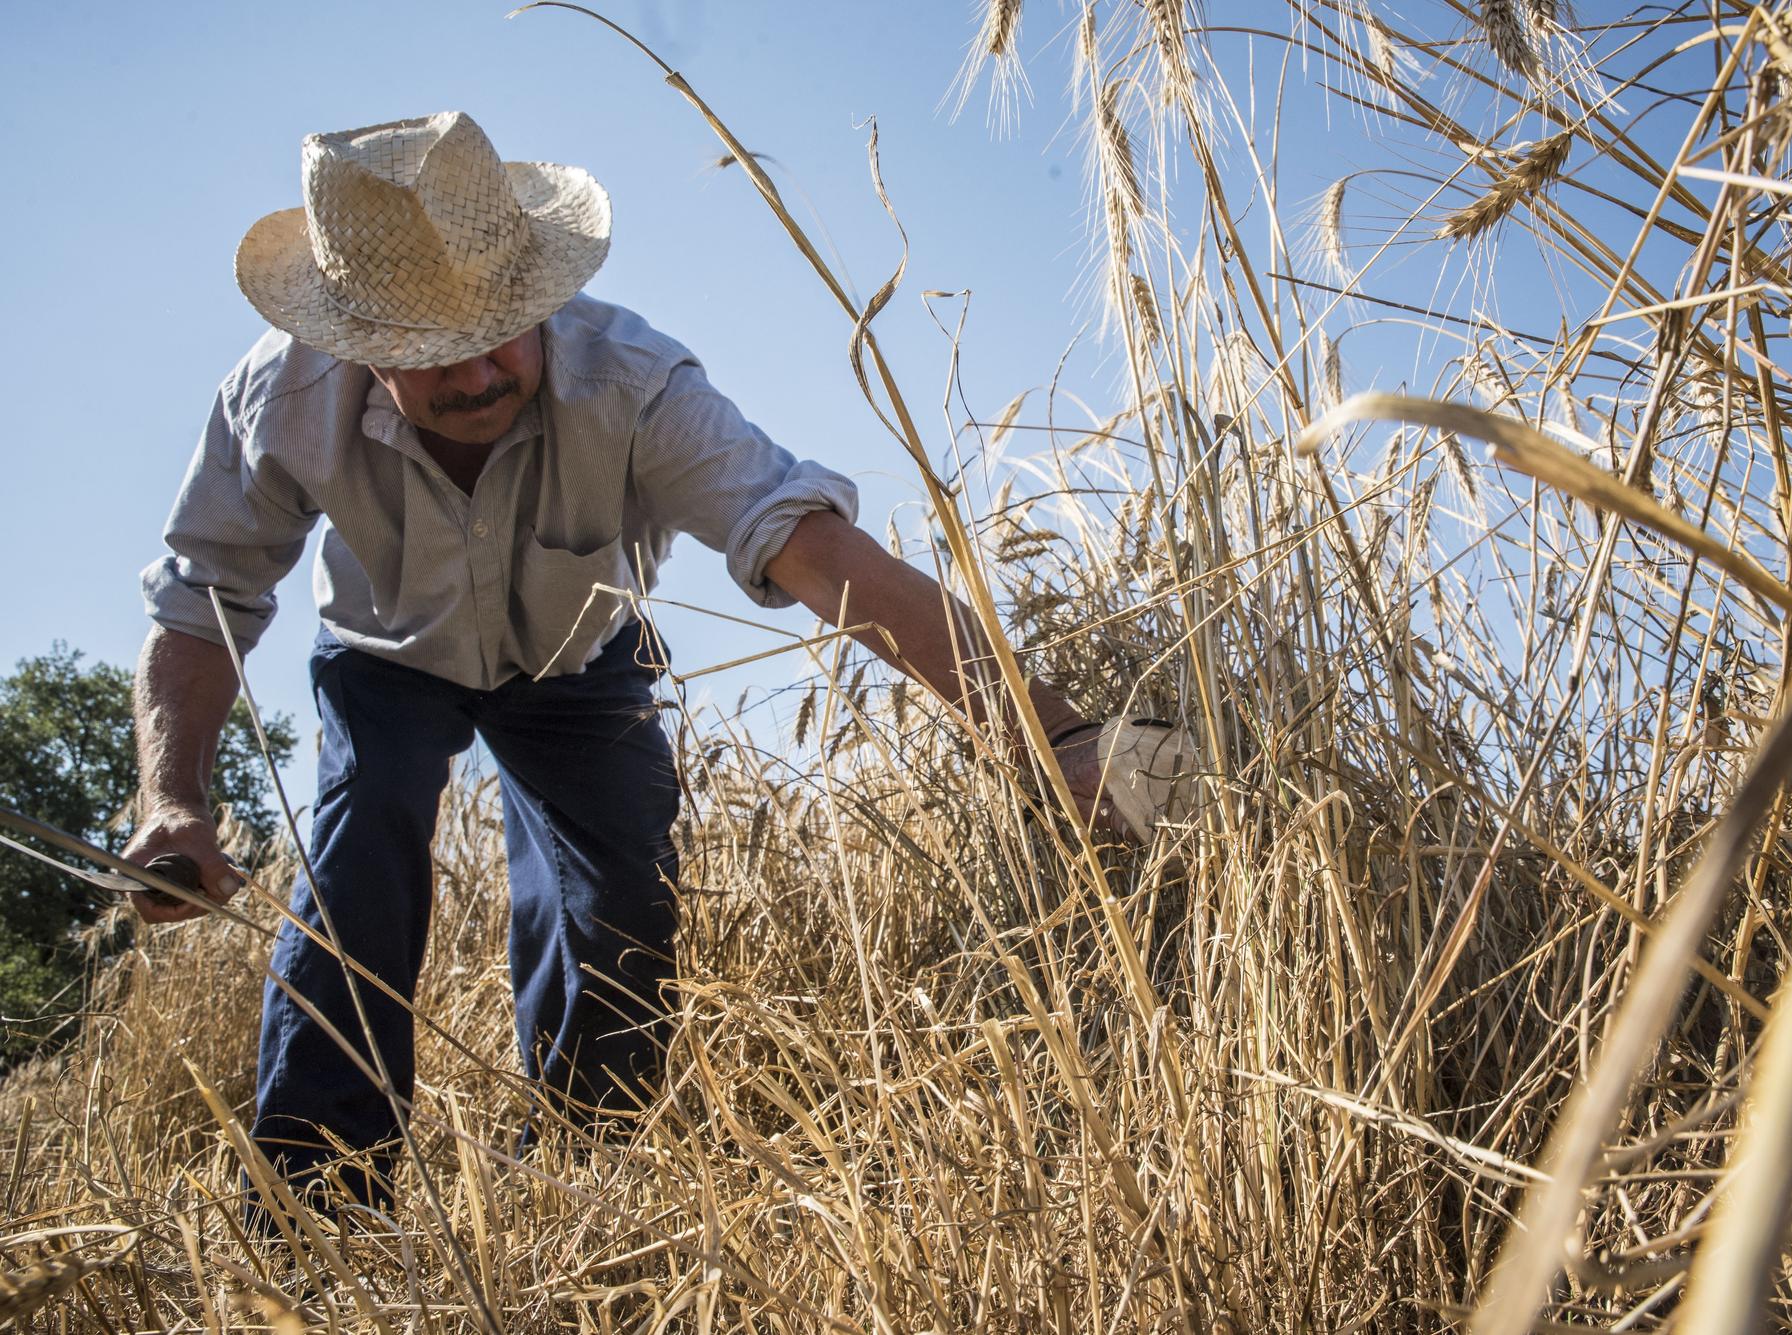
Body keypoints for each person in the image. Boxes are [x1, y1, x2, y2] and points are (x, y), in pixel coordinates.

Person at [122, 112, 1114, 1211]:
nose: (476, 371)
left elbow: (818, 552)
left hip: (580, 660)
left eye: (500, 328)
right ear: (357, 346)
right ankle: (316, 1210)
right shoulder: (281, 402)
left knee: (620, 903)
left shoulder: (636, 383)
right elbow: (201, 602)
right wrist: (172, 800)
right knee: (358, 865)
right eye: (425, 349)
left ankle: (583, 1177)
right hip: (384, 656)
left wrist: (1048, 736)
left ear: (541, 297)